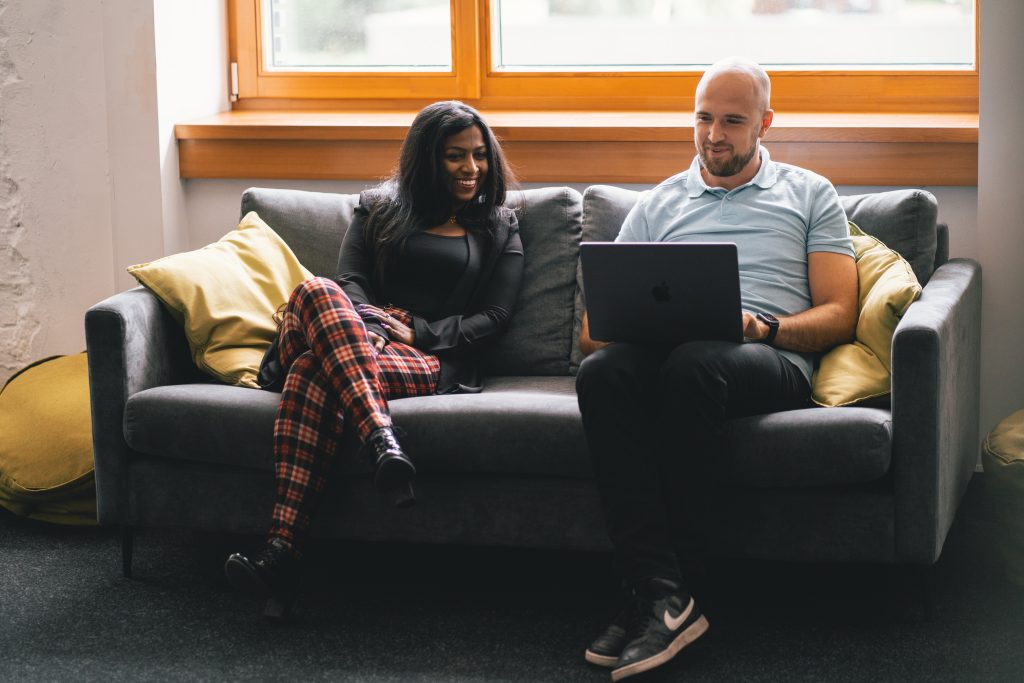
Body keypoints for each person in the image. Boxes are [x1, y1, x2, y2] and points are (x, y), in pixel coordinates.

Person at [576, 58, 858, 681]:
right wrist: (638, 324)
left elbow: (839, 315)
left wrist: (763, 326)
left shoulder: (811, 193)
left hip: (769, 355)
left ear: (765, 123)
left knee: (694, 365)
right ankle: (662, 592)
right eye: (704, 118)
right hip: (672, 351)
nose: (714, 135)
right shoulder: (657, 205)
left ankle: (658, 593)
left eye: (732, 121)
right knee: (603, 374)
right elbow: (593, 333)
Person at [224, 100, 524, 618]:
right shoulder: (377, 208)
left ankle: (281, 555)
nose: (471, 168)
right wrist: (371, 326)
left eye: (478, 155)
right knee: (317, 290)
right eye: (455, 156)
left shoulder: (501, 225)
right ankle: (379, 438)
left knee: (312, 373)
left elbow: (495, 316)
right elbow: (349, 284)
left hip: (424, 357)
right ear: (426, 158)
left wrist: (418, 331)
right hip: (353, 330)